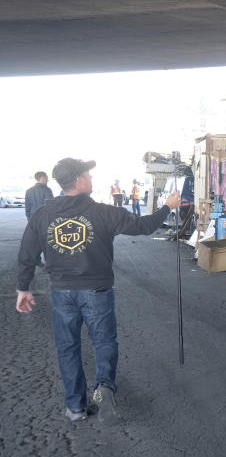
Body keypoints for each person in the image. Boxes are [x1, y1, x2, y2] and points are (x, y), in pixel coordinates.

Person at [15, 158, 180, 423]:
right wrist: (167, 208)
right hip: (97, 291)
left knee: (67, 347)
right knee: (103, 342)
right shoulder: (103, 213)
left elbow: (27, 254)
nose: (92, 179)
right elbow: (143, 226)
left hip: (61, 293)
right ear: (79, 181)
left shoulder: (42, 215)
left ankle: (75, 407)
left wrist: (23, 288)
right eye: (88, 175)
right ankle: (104, 387)